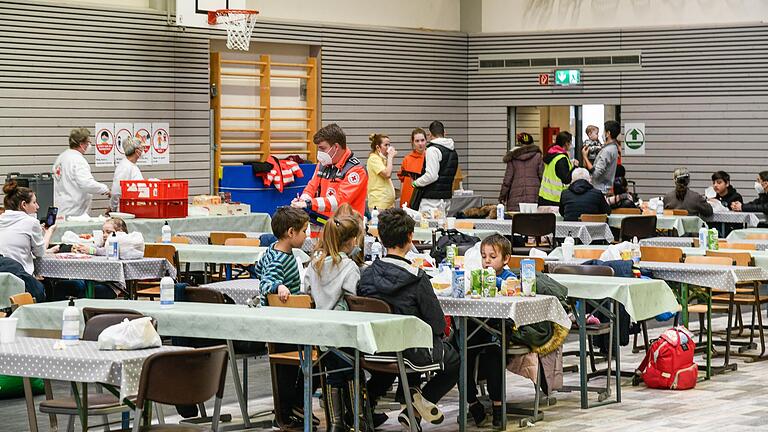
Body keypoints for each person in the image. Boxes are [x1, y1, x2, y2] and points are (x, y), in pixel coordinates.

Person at [358, 208, 459, 430]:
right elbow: (437, 324)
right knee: (453, 360)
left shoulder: (365, 275)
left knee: (394, 358)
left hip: (372, 347)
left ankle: (366, 405)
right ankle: (415, 408)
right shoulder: (417, 278)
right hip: (411, 351)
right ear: (410, 237)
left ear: (381, 238)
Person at [304, 215, 368, 431]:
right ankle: (360, 421)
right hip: (344, 330)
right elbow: (354, 296)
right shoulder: (349, 267)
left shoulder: (315, 265)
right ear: (351, 242)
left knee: (332, 375)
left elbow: (306, 292)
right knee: (352, 372)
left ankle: (335, 423)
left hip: (321, 332)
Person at [254, 206, 310, 429]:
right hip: (283, 320)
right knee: (287, 371)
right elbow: (266, 281)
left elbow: (258, 268)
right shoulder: (279, 259)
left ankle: (290, 410)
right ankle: (286, 414)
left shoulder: (272, 249)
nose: (307, 236)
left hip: (284, 319)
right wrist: (280, 286)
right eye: (304, 231)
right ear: (291, 232)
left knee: (287, 370)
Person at [465, 234, 515, 427]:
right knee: (463, 355)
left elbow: (514, 289)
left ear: (505, 259)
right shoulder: (478, 275)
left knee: (494, 355)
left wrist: (496, 282)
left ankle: (497, 406)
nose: (487, 261)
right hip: (476, 327)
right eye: (484, 256)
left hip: (499, 328)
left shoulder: (508, 277)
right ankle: (472, 403)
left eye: (492, 257)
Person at [292, 123, 368, 225]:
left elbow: (340, 201)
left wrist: (309, 204)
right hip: (323, 225)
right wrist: (302, 200)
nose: (319, 152)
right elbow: (311, 187)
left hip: (346, 229)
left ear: (336, 147)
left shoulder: (356, 170)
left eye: (322, 148)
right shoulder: (323, 164)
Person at [0, 181, 55, 302]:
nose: (38, 206)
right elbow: (40, 253)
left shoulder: (1, 219)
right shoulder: (31, 222)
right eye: (34, 202)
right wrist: (49, 232)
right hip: (21, 282)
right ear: (24, 204)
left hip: (3, 282)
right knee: (52, 286)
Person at [52, 217, 129, 300]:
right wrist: (80, 248)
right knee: (61, 286)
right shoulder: (100, 244)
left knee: (86, 292)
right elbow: (94, 247)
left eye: (108, 232)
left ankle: (81, 312)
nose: (104, 235)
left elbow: (105, 251)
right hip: (88, 282)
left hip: (110, 287)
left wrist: (92, 250)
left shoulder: (123, 246)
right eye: (103, 232)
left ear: (120, 233)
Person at [52, 128, 110, 218]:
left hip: (61, 208)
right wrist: (105, 189)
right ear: (81, 144)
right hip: (74, 212)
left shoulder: (61, 158)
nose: (89, 145)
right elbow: (86, 183)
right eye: (88, 142)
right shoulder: (78, 160)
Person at [411, 121, 458, 213]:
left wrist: (416, 183)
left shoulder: (432, 150)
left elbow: (431, 176)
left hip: (431, 199)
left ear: (430, 134)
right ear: (444, 132)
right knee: (442, 225)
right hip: (446, 198)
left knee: (426, 226)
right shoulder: (453, 151)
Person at [499, 132, 543, 211]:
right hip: (533, 196)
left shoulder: (512, 158)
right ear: (532, 143)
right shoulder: (538, 156)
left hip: (515, 197)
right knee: (533, 221)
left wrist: (502, 196)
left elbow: (507, 180)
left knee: (517, 221)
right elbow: (542, 176)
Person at [538, 131, 575, 208]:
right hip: (556, 199)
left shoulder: (551, 154)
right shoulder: (561, 158)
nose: (571, 145)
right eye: (570, 142)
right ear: (566, 143)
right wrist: (574, 167)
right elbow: (566, 179)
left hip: (544, 197)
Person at [583, 120, 620, 194]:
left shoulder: (607, 151)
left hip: (600, 190)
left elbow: (596, 174)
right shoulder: (613, 148)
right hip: (605, 188)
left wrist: (585, 157)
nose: (600, 135)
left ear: (608, 134)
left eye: (603, 131)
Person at [110, 136, 144, 211]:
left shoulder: (131, 166)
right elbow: (116, 192)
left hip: (133, 208)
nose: (143, 150)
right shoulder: (125, 167)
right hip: (125, 210)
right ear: (137, 151)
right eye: (141, 148)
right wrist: (113, 208)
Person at [366, 133, 397, 211]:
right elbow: (387, 174)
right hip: (379, 204)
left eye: (389, 145)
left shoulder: (382, 159)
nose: (388, 147)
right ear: (378, 147)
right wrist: (390, 157)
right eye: (386, 145)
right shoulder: (373, 159)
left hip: (388, 204)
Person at [398, 128, 427, 209]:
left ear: (426, 140)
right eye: (417, 141)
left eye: (422, 140)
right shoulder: (407, 159)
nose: (420, 143)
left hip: (425, 199)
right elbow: (402, 182)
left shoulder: (431, 157)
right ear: (413, 142)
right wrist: (402, 201)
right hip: (408, 198)